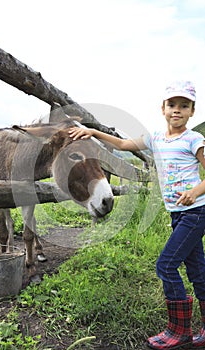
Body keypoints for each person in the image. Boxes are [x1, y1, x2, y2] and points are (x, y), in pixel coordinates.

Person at [69, 80, 205, 349]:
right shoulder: (155, 138)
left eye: (184, 106)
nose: (177, 110)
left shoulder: (194, 140)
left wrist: (196, 190)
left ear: (192, 111)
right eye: (172, 105)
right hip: (178, 215)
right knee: (197, 270)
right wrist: (93, 132)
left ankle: (179, 331)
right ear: (163, 109)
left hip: (195, 212)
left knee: (166, 265)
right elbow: (121, 143)